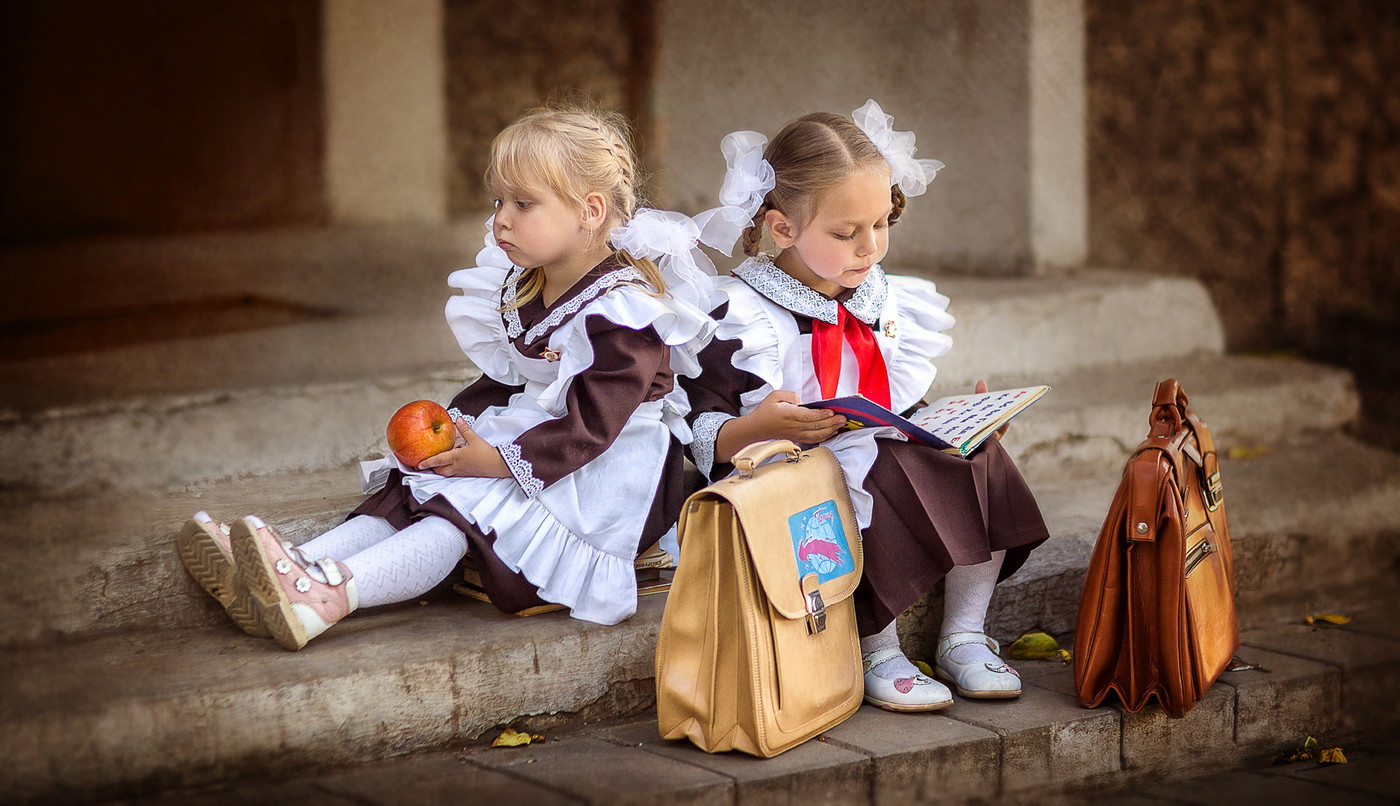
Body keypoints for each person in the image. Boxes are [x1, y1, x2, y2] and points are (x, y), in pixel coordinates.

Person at [176, 105, 716, 650]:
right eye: (499, 200)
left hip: (603, 472)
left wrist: (502, 461)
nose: (501, 218)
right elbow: (509, 381)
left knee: (458, 519)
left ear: (590, 211)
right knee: (412, 491)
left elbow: (594, 425)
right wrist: (459, 427)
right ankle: (298, 565)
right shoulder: (529, 283)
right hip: (542, 438)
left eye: (524, 204)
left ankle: (333, 595)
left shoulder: (623, 311)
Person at [683, 100, 1050, 711]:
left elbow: (899, 398)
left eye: (882, 224)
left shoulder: (885, 298)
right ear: (782, 229)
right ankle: (877, 647)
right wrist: (757, 426)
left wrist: (966, 421)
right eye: (846, 233)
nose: (870, 247)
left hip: (873, 440)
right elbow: (697, 428)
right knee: (874, 474)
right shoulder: (742, 317)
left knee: (973, 453)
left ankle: (962, 633)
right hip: (787, 468)